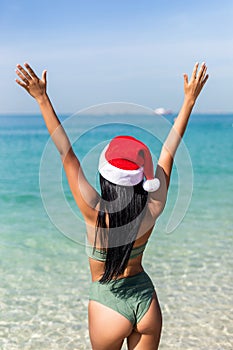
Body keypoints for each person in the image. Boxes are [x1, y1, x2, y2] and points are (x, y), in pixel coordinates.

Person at [15, 62, 208, 350]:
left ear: (105, 177)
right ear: (142, 177)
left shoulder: (94, 211)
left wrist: (42, 98)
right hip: (146, 303)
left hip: (108, 306)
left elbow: (67, 154)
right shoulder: (152, 206)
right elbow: (169, 150)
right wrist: (189, 100)